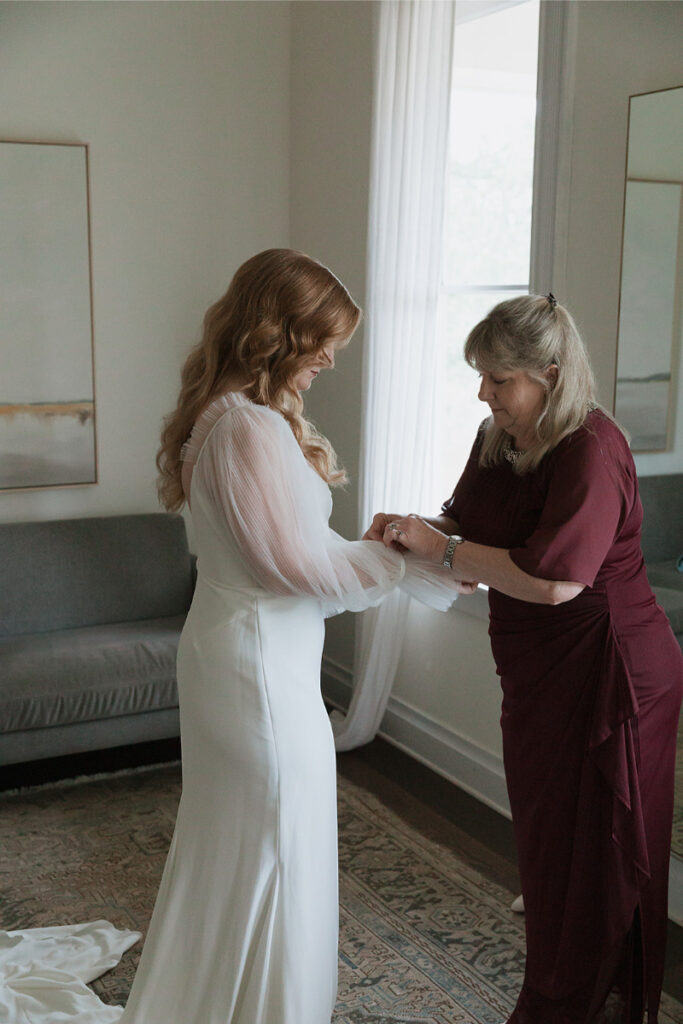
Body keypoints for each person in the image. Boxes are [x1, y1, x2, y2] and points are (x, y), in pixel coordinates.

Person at [0, 249, 473, 1024]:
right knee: (275, 844)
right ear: (276, 330)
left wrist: (389, 553)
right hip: (256, 669)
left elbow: (286, 557)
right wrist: (400, 555)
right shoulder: (247, 427)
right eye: (320, 338)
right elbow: (292, 568)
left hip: (246, 652)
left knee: (248, 846)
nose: (328, 356)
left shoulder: (228, 414)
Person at [367, 293, 683, 1024]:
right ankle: (570, 990)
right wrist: (412, 527)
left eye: (496, 379)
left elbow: (553, 580)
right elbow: (465, 528)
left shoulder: (590, 449)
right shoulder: (495, 438)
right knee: (549, 844)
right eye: (479, 376)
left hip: (611, 673)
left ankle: (572, 1006)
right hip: (538, 671)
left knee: (596, 852)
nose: (482, 393)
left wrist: (441, 547)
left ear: (549, 373)